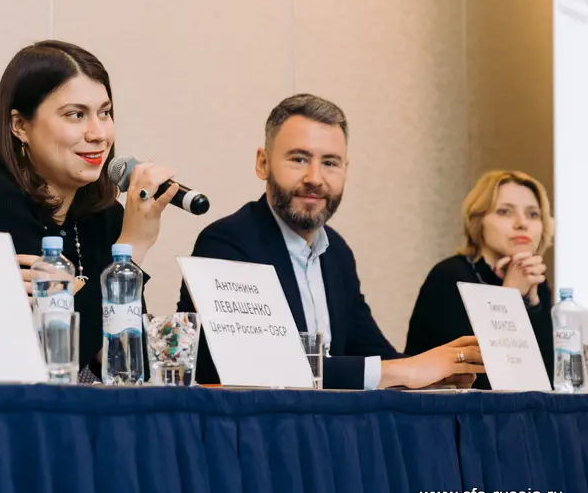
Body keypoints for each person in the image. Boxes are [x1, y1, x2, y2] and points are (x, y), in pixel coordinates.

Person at [177, 94, 484, 390]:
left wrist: (436, 373)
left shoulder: (336, 251)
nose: (315, 178)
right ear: (263, 163)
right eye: (299, 159)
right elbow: (265, 364)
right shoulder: (227, 243)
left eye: (330, 163)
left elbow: (372, 353)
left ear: (345, 169)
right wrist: (405, 371)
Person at [0, 40, 176, 377]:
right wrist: (132, 248)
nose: (98, 134)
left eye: (104, 113)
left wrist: (78, 297)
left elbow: (127, 364)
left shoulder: (105, 216)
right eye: (75, 115)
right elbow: (45, 360)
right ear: (20, 126)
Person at [405, 170, 554, 387]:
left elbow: (546, 380)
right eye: (504, 212)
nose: (522, 223)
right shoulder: (450, 276)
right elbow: (483, 380)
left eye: (533, 214)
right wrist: (509, 297)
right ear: (478, 220)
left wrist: (532, 303)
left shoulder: (535, 283)